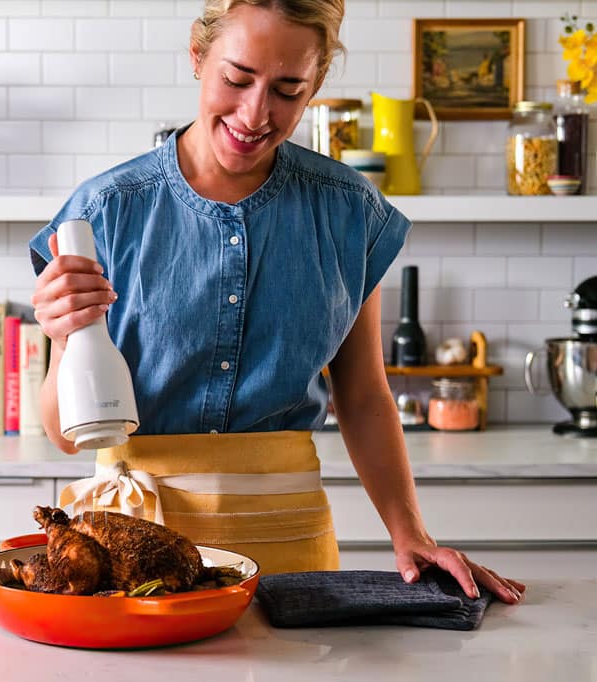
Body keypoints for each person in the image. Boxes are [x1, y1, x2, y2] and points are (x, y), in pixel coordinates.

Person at [28, 0, 524, 605]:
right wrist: (59, 329)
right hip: (133, 554)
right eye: (236, 79)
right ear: (196, 55)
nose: (255, 113)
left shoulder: (346, 211)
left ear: (314, 86)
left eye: (288, 90)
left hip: (292, 555)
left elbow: (364, 395)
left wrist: (410, 532)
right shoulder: (105, 212)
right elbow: (62, 433)